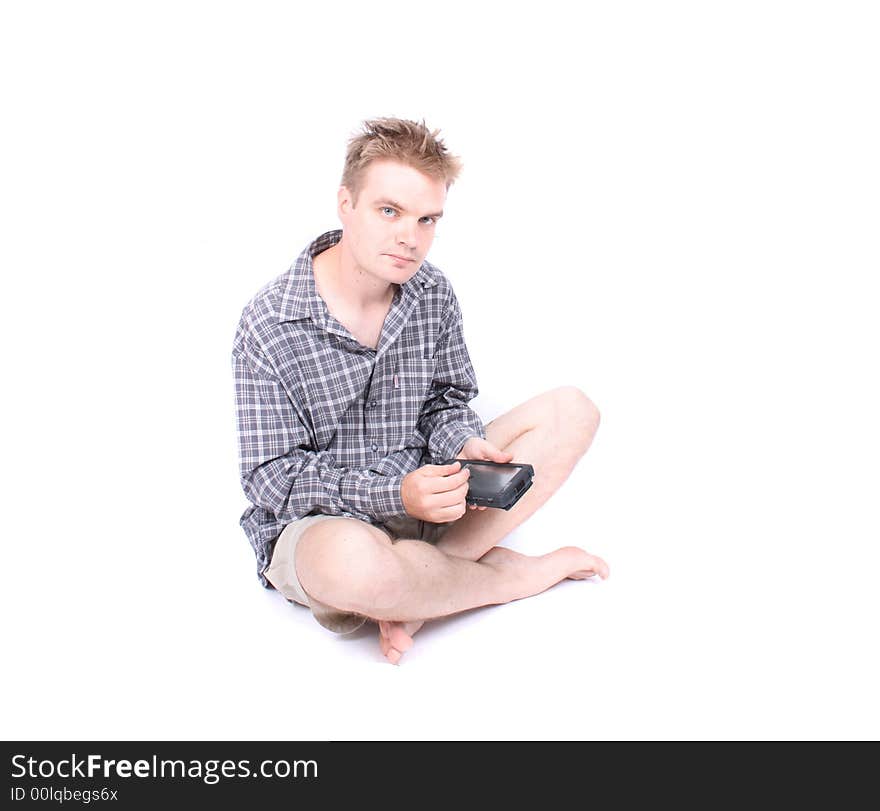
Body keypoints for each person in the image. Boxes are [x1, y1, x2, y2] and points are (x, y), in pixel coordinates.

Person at [232, 117, 609, 665]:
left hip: (431, 499)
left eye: (427, 218)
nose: (410, 236)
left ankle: (416, 595)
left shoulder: (429, 291)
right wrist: (394, 495)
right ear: (346, 204)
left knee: (572, 410)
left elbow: (445, 401)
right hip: (328, 527)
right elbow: (270, 480)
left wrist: (462, 443)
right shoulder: (270, 323)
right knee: (354, 565)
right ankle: (503, 578)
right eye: (390, 211)